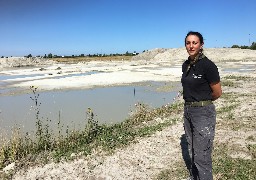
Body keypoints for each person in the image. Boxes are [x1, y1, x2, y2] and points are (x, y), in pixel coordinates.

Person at [181, 31, 222, 180]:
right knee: (192, 149)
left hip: (203, 112)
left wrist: (202, 101)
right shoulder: (185, 65)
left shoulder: (208, 65)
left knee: (202, 154)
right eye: (188, 43)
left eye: (194, 43)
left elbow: (217, 92)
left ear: (201, 45)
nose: (191, 46)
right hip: (188, 110)